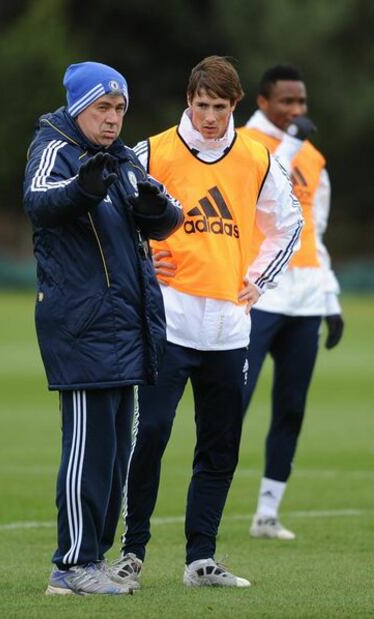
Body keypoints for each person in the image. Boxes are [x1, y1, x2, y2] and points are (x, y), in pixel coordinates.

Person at [109, 56, 303, 589]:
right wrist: (142, 255)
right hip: (165, 323)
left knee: (219, 446)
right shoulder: (153, 151)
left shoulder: (257, 158)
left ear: (234, 105)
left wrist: (260, 279)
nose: (210, 116)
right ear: (188, 100)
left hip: (229, 328)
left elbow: (290, 223)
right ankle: (131, 554)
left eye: (219, 107)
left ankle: (201, 560)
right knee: (150, 434)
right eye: (201, 105)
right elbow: (109, 211)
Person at [23, 61, 183, 596]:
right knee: (87, 450)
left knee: (114, 456)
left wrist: (156, 210)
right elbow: (41, 203)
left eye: (119, 109)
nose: (113, 119)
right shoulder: (54, 148)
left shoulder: (120, 158)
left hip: (125, 327)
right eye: (103, 108)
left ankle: (93, 560)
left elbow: (171, 215)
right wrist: (84, 188)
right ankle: (71, 565)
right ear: (78, 107)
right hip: (83, 324)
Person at [237, 65, 344, 540]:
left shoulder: (314, 158)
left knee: (292, 406)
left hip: (305, 298)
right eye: (287, 102)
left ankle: (267, 513)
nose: (297, 111)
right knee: (233, 403)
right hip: (259, 292)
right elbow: (258, 189)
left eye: (301, 102)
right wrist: (294, 142)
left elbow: (315, 232)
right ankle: (209, 505)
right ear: (262, 102)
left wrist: (331, 296)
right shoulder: (242, 144)